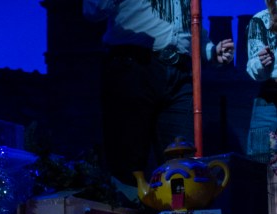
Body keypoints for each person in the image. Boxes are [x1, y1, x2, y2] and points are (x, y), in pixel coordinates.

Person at [83, 1, 235, 183]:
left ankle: (179, 201)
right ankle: (128, 200)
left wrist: (209, 50)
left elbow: (187, 22)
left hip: (180, 73)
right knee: (127, 164)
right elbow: (92, 9)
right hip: (133, 66)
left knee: (184, 165)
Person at [246, 3, 277, 160]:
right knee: (265, 165)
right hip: (271, 100)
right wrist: (262, 63)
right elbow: (253, 65)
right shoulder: (260, 20)